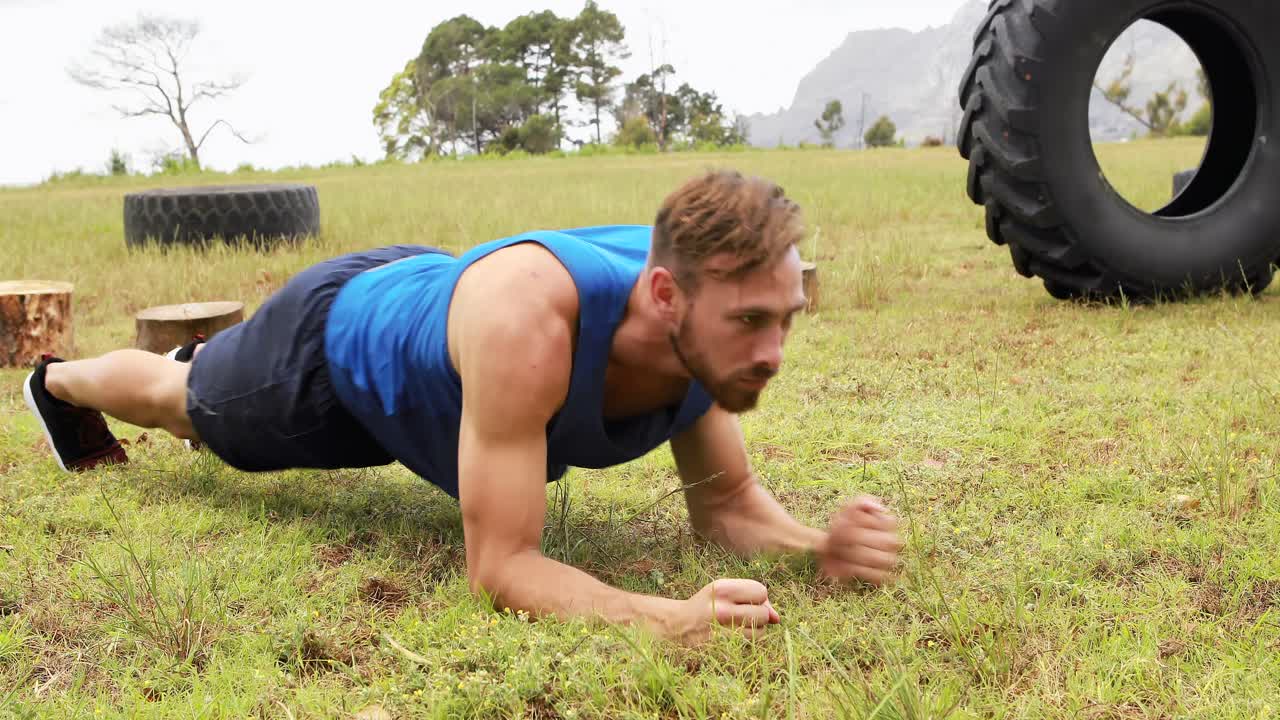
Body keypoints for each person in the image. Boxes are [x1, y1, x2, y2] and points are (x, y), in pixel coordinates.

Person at [22, 169, 902, 645]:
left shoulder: (706, 324)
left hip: (435, 301)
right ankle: (58, 381)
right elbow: (504, 565)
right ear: (666, 295)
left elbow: (726, 506)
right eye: (750, 323)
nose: (772, 354)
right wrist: (667, 619)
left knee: (203, 382)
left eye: (785, 320)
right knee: (185, 404)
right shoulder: (533, 326)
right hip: (332, 356)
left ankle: (206, 358)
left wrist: (820, 545)